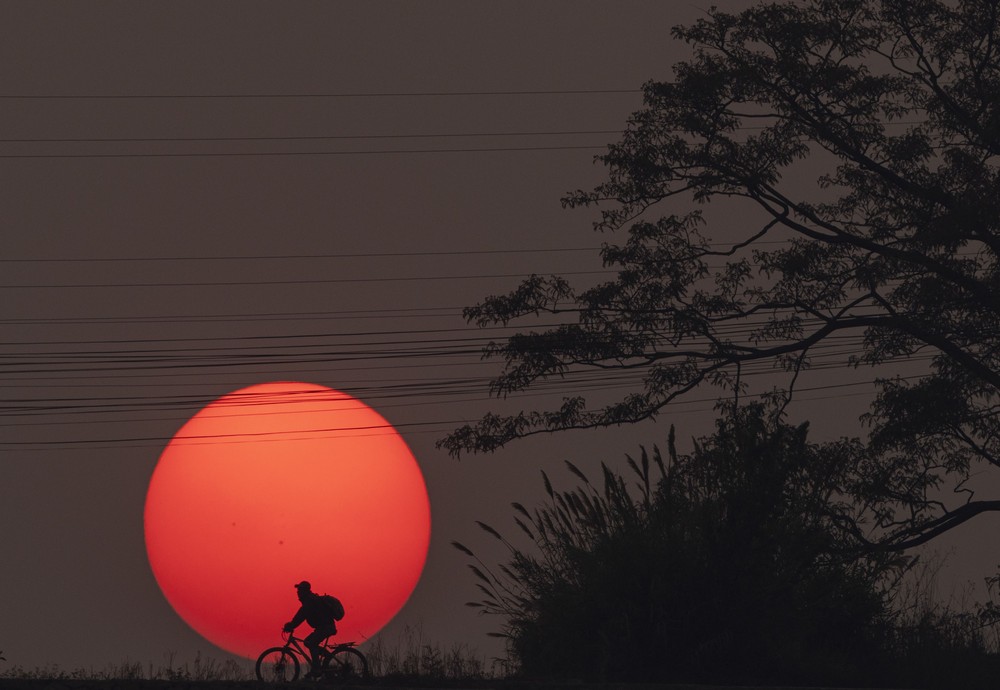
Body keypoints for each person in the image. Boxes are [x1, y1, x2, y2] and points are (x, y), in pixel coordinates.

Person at [283, 581, 337, 677]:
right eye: (298, 591)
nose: (298, 592)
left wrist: (291, 625)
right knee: (308, 642)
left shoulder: (310, 601)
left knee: (312, 643)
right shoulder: (309, 600)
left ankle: (316, 669)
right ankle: (327, 657)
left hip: (326, 627)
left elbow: (301, 615)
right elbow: (301, 614)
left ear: (305, 591)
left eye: (299, 590)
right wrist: (292, 624)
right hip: (323, 627)